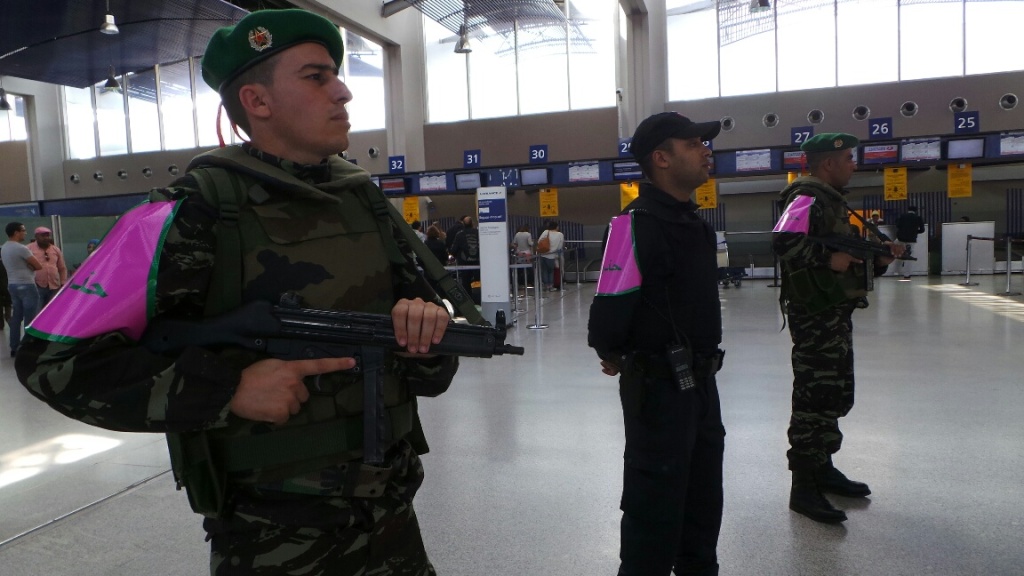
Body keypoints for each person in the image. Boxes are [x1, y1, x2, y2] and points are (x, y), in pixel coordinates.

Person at [16, 9, 459, 575]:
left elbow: (432, 372)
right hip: (272, 542)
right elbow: (51, 360)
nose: (344, 92)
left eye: (337, 76)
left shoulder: (365, 205)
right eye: (317, 76)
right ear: (258, 101)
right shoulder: (190, 213)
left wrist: (423, 333)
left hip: (394, 526)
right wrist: (228, 390)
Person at [588, 112, 727, 576]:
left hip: (703, 387)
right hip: (659, 392)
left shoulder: (698, 227)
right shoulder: (632, 226)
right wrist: (617, 353)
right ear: (662, 158)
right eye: (693, 144)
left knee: (703, 505)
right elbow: (607, 315)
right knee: (654, 509)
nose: (706, 150)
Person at [772, 133, 903, 524]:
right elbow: (783, 241)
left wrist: (877, 259)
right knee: (814, 397)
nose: (853, 164)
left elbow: (841, 253)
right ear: (827, 163)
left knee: (833, 391)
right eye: (848, 157)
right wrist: (829, 259)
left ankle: (824, 468)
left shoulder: (830, 200)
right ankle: (803, 487)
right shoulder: (806, 197)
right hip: (814, 316)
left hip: (831, 312)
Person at [2, 222, 42, 356]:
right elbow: (38, 265)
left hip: (12, 285)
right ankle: (29, 346)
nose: (25, 233)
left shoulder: (4, 248)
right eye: (23, 230)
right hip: (27, 285)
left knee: (16, 317)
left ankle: (14, 346)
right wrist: (29, 265)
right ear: (15, 232)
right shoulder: (21, 248)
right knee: (30, 318)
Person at [28, 226, 68, 307]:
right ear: (36, 237)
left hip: (54, 286)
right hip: (37, 286)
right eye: (43, 236)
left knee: (53, 311)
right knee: (37, 312)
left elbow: (62, 268)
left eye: (48, 236)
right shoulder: (29, 249)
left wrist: (63, 282)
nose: (46, 238)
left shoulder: (55, 249)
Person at [449, 217, 481, 305]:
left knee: (466, 283)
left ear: (463, 224)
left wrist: (453, 255)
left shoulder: (460, 234)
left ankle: (468, 302)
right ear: (472, 223)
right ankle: (478, 300)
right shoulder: (479, 233)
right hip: (477, 264)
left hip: (464, 264)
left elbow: (453, 249)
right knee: (478, 282)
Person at [895, 206, 926, 279]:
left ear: (908, 210)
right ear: (916, 211)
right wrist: (915, 232)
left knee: (897, 253)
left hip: (901, 239)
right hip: (911, 240)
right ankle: (906, 275)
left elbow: (897, 225)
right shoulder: (918, 218)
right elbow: (922, 230)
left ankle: (896, 271)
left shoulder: (903, 216)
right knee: (908, 257)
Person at [537, 221, 564, 291]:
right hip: (552, 255)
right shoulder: (560, 234)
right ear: (556, 227)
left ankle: (546, 286)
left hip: (543, 254)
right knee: (551, 271)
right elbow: (560, 246)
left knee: (544, 271)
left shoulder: (546, 232)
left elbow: (539, 241)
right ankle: (551, 286)